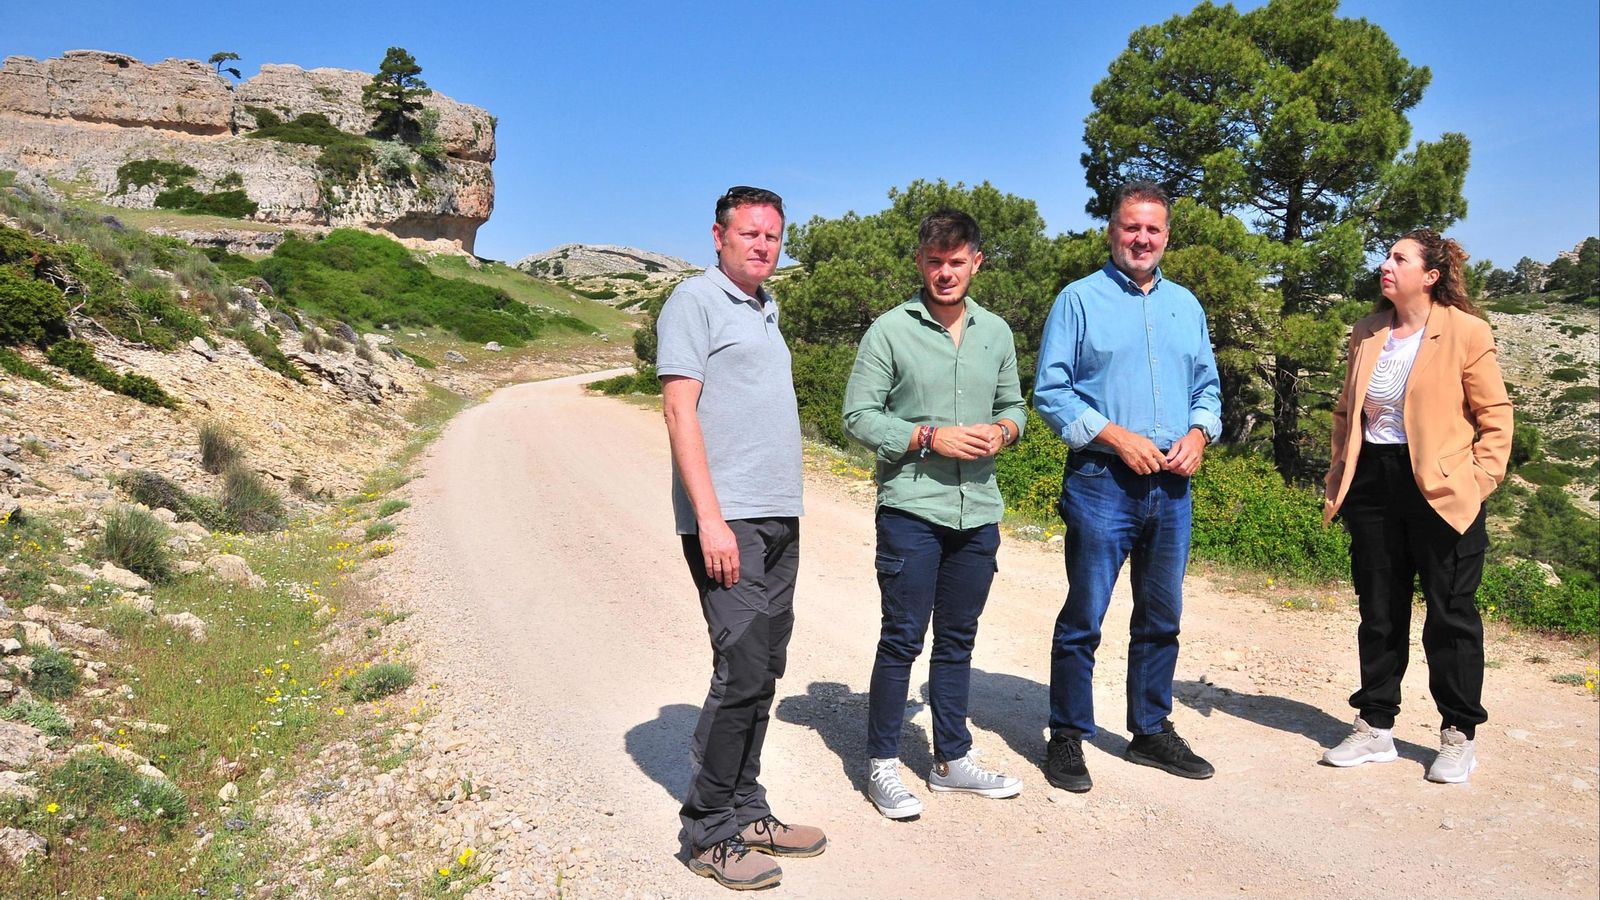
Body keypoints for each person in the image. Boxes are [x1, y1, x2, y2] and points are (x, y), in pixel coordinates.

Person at [656, 186, 826, 890]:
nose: (763, 245)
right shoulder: (694, 302)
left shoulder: (763, 308)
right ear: (718, 236)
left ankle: (748, 810)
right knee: (742, 670)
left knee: (767, 669)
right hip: (732, 522)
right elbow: (678, 411)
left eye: (773, 236)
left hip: (778, 517)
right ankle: (708, 831)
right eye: (750, 233)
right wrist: (712, 519)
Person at [1032, 180, 1222, 793]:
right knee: (1085, 615)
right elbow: (1051, 392)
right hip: (1101, 481)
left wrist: (1200, 433)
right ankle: (1067, 736)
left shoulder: (1186, 306)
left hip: (1172, 486)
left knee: (1161, 615)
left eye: (1154, 229)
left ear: (1167, 236)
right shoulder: (1078, 300)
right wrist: (1116, 436)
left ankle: (1150, 730)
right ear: (1111, 230)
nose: (1142, 238)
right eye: (1130, 227)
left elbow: (1208, 389)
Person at [842, 209, 1029, 819]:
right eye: (934, 261)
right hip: (911, 510)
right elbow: (859, 417)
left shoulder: (996, 333)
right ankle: (882, 766)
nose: (945, 273)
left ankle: (951, 761)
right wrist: (929, 438)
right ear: (919, 262)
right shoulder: (889, 331)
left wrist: (1004, 431)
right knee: (901, 639)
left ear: (976, 262)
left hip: (978, 510)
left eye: (956, 262)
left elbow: (1016, 407)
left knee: (958, 640)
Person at [1320, 229, 1512, 784]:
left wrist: (1477, 481)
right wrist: (1341, 474)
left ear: (1430, 276)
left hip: (1442, 487)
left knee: (1451, 615)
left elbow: (1495, 418)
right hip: (1374, 484)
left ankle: (1457, 734)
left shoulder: (1466, 332)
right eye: (1385, 256)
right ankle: (1376, 725)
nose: (1385, 265)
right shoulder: (1368, 331)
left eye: (1398, 258)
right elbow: (1345, 414)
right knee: (1379, 610)